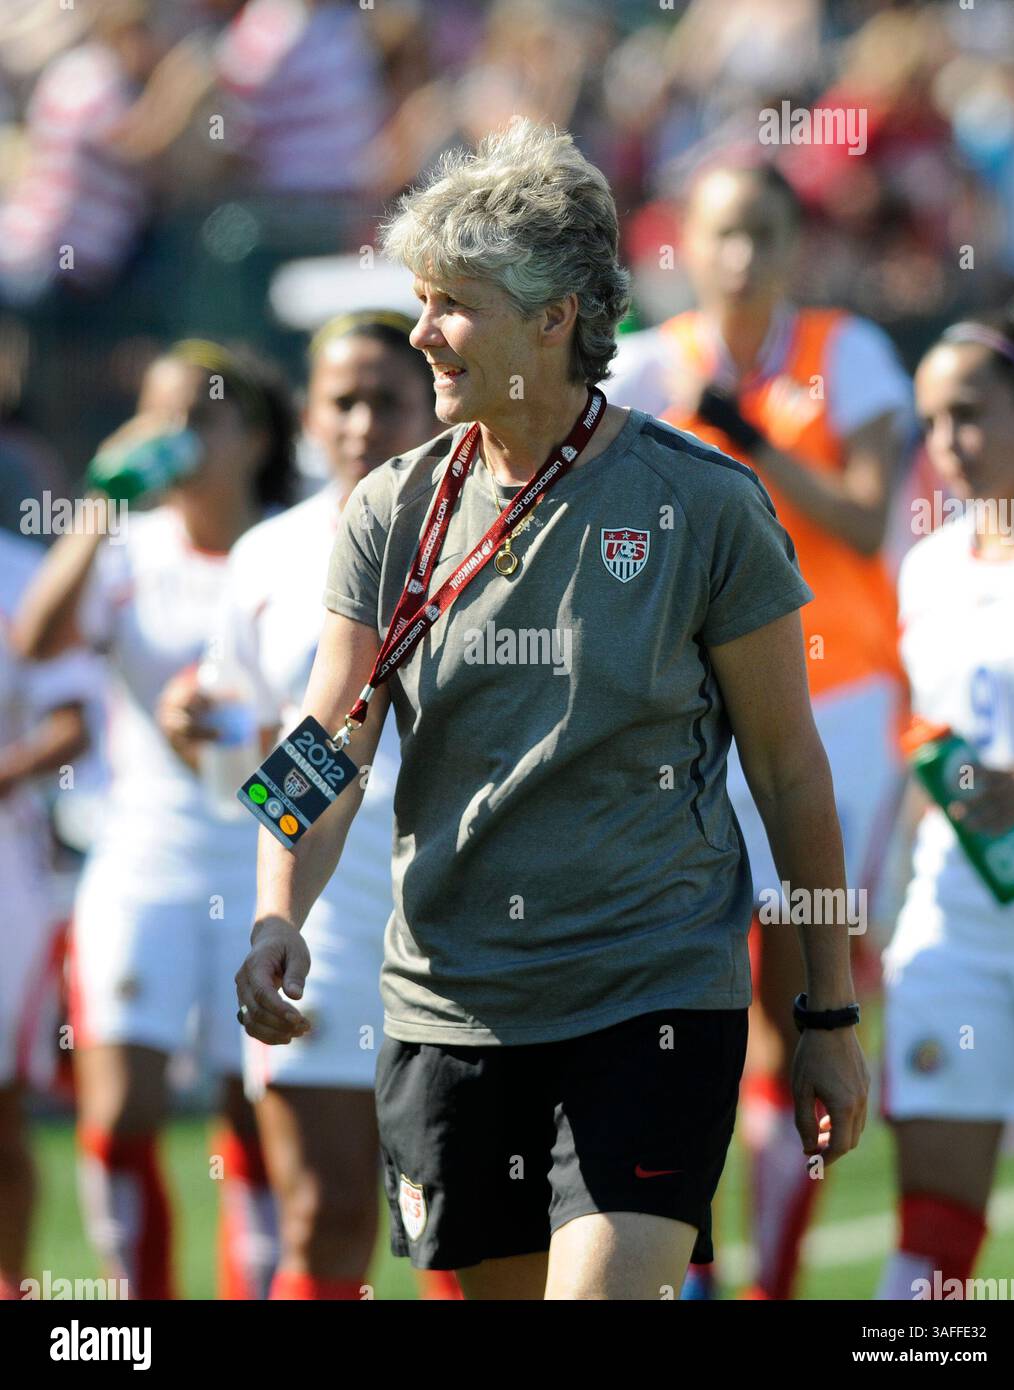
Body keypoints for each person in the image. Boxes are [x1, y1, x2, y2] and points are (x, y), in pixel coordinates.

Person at [236, 118, 869, 1302]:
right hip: (451, 1006)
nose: (419, 332)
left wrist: (825, 1007)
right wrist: (278, 905)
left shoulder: (704, 505)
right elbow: (328, 739)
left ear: (555, 316)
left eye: (449, 304)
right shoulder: (389, 510)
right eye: (418, 301)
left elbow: (790, 772)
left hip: (652, 994)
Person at [608, 159, 913, 1299]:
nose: (743, 256)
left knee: (796, 1006)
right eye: (724, 232)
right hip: (688, 713)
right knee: (685, 1007)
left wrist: (751, 439)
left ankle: (768, 1283)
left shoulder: (850, 351)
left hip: (828, 709)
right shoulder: (645, 363)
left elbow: (863, 512)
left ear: (793, 245)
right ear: (686, 242)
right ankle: (690, 1267)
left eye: (765, 233)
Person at [12, 339, 296, 1300]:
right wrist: (99, 500)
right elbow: (36, 639)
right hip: (143, 850)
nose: (174, 440)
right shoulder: (131, 549)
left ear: (253, 435)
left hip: (261, 853)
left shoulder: (291, 546)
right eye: (158, 415)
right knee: (121, 1104)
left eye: (199, 418)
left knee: (254, 1109)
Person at [202, 311, 451, 1299]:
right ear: (306, 413)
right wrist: (275, 915)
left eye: (385, 399)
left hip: (458, 920)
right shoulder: (265, 557)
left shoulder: (485, 535)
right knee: (325, 1216)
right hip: (325, 918)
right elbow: (288, 755)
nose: (359, 423)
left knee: (456, 1230)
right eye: (339, 400)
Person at [877, 318, 1014, 1299]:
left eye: (970, 414)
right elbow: (922, 737)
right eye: (931, 419)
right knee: (932, 1231)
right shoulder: (925, 567)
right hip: (957, 919)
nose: (946, 442)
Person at [0, 529, 96, 1301]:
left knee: (2, 1115)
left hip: (7, 870)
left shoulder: (28, 571)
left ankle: (15, 1289)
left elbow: (74, 721)